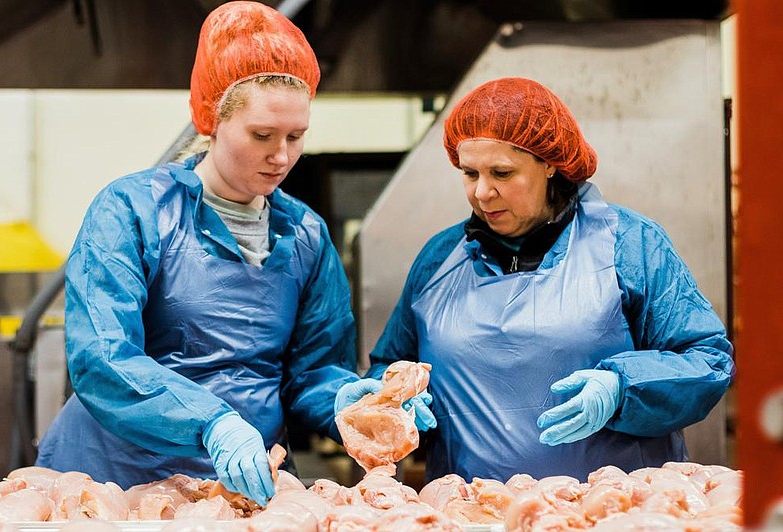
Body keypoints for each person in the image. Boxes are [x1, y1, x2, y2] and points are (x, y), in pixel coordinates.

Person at [36, 1, 361, 506]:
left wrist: (345, 402)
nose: (282, 156)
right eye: (262, 135)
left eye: (296, 137)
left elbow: (312, 371)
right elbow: (102, 355)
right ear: (211, 121)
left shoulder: (305, 235)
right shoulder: (134, 210)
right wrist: (211, 421)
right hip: (112, 483)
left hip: (240, 489)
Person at [334, 77, 735, 483]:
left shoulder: (629, 245)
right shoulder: (440, 259)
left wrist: (622, 387)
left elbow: (707, 359)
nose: (483, 193)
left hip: (612, 514)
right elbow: (391, 366)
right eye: (470, 174)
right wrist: (391, 401)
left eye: (503, 173)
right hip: (473, 516)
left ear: (549, 163)